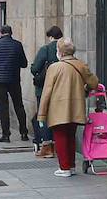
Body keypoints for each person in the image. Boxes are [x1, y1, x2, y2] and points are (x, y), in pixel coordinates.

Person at [37, 39, 100, 178]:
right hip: (76, 107)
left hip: (58, 108)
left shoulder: (54, 67)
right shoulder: (81, 65)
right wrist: (85, 90)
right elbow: (94, 82)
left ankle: (64, 167)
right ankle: (70, 166)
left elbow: (46, 92)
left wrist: (41, 114)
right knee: (71, 136)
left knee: (60, 137)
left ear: (60, 52)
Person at [0, 25, 30, 142]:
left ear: (1, 32)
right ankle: (24, 133)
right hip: (14, 79)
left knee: (3, 107)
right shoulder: (17, 45)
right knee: (19, 105)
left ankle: (6, 134)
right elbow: (24, 63)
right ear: (11, 33)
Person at [30, 26, 63, 157]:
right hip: (61, 90)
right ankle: (58, 146)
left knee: (43, 116)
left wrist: (34, 68)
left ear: (50, 37)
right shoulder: (67, 47)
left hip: (44, 89)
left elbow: (35, 68)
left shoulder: (46, 49)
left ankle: (47, 147)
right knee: (58, 117)